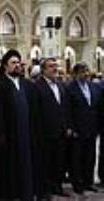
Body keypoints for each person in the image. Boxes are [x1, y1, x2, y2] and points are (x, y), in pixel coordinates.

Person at [0, 49, 42, 201]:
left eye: (19, 62)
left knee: (28, 167)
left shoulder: (28, 86)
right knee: (10, 170)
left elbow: (36, 113)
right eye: (13, 63)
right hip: (9, 137)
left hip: (28, 136)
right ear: (5, 66)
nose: (17, 65)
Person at [35, 58, 73, 197]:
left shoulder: (61, 86)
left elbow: (65, 108)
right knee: (46, 163)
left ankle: (57, 187)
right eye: (51, 66)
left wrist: (68, 126)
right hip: (45, 132)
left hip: (61, 132)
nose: (54, 69)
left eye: (55, 66)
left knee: (59, 162)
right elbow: (36, 112)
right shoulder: (37, 86)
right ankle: (45, 189)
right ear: (43, 70)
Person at [67, 62, 101, 193]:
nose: (85, 74)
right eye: (82, 71)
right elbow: (68, 110)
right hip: (77, 129)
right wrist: (71, 127)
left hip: (91, 128)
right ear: (75, 74)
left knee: (90, 157)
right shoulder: (70, 88)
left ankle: (88, 182)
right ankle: (78, 184)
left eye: (86, 71)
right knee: (77, 159)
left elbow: (97, 108)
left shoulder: (94, 87)